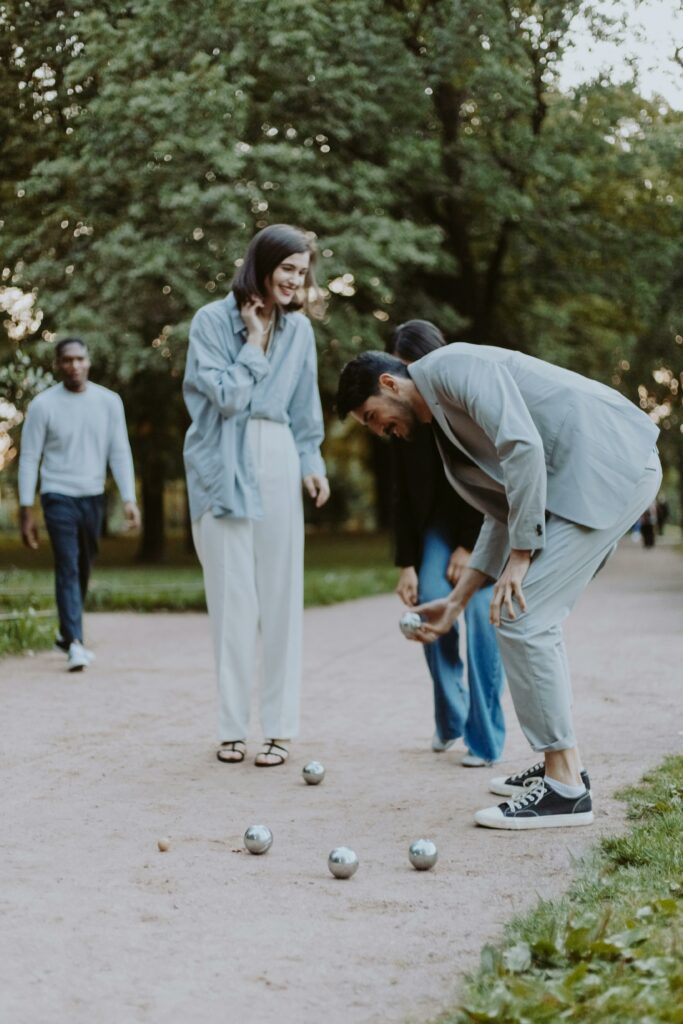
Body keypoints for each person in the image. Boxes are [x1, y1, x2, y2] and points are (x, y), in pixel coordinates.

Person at [336, 339, 661, 830]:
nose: (379, 430)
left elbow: (522, 446)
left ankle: (566, 787)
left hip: (608, 467)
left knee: (523, 614)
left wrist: (523, 556)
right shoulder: (439, 418)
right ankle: (562, 766)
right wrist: (456, 600)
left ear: (389, 383)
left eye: (370, 415)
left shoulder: (451, 368)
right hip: (587, 479)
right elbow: (503, 506)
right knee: (527, 616)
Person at [183, 224, 330, 768]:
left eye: (302, 271)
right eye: (287, 268)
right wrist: (250, 340)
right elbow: (223, 398)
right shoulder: (210, 321)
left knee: (280, 596)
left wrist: (311, 462)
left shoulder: (301, 334)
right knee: (231, 601)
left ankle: (280, 728)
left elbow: (305, 411)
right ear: (262, 265)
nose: (295, 280)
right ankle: (231, 728)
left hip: (278, 451)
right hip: (221, 459)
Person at [388, 321, 505, 765]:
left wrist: (469, 545)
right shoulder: (396, 413)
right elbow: (399, 493)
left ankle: (484, 737)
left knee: (479, 614)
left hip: (484, 518)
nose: (408, 382)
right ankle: (451, 717)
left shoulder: (462, 400)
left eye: (414, 369)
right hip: (435, 524)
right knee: (429, 606)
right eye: (401, 372)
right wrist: (406, 564)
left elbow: (491, 477)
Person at [18, 337, 140, 671]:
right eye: (67, 360)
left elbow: (120, 451)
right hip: (57, 495)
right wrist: (26, 509)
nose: (74, 365)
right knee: (67, 565)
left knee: (84, 564)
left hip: (92, 496)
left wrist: (129, 498)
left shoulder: (109, 402)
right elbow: (29, 457)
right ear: (57, 365)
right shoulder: (44, 405)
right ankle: (75, 642)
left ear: (88, 361)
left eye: (79, 359)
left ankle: (66, 630)